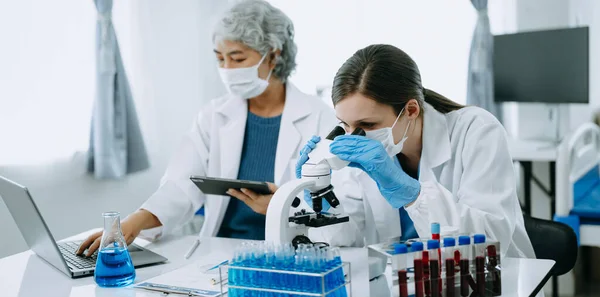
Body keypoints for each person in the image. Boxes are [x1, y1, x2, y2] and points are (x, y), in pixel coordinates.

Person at [77, 0, 338, 256]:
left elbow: (336, 204)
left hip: (290, 251)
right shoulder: (214, 115)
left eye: (237, 58)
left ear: (273, 55)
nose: (226, 69)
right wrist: (135, 221)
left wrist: (283, 205)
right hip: (219, 251)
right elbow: (181, 184)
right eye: (220, 58)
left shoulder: (319, 118)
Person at [298, 44, 535, 258]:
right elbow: (352, 242)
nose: (354, 137)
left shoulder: (476, 131)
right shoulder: (360, 156)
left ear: (411, 109)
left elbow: (490, 238)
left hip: (486, 282)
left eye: (368, 125)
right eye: (345, 125)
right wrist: (325, 204)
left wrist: (413, 195)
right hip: (402, 281)